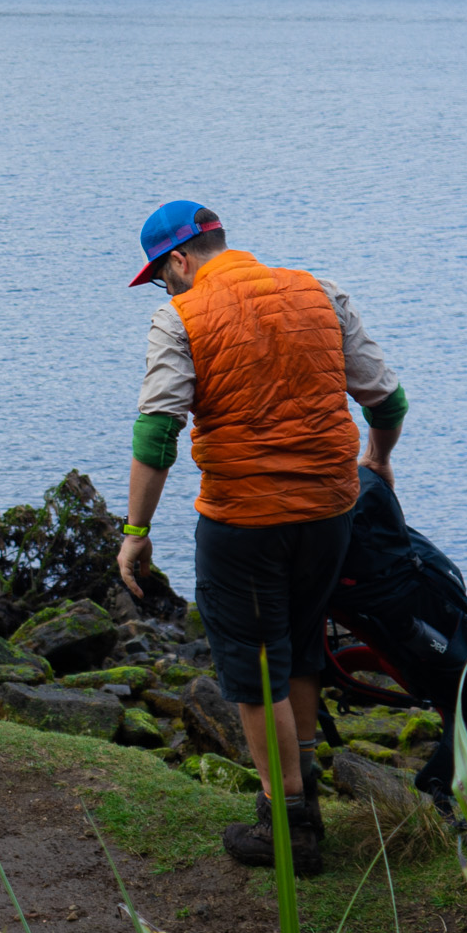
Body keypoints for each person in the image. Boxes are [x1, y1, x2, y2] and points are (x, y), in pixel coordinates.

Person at [114, 201, 407, 873]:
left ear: (180, 260)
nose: (164, 289)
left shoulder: (180, 317)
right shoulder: (320, 292)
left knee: (253, 670)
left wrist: (136, 532)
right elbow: (387, 400)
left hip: (243, 521)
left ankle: (287, 825)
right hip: (330, 512)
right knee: (299, 647)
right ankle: (305, 799)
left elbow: (157, 433)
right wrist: (379, 457)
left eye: (160, 276)